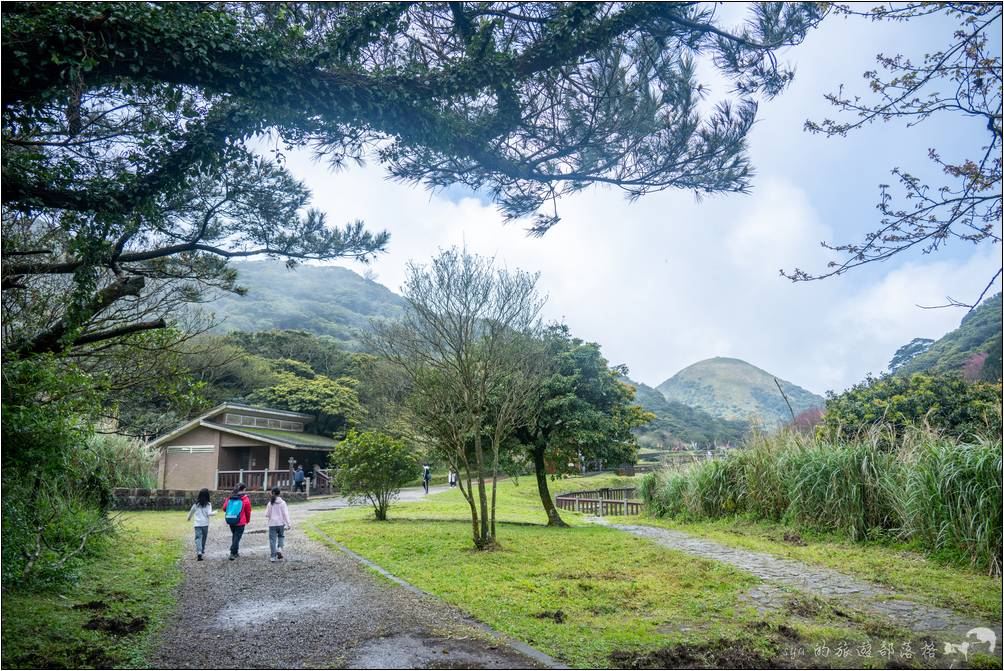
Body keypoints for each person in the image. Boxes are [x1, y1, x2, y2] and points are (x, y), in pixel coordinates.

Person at [223, 483, 252, 560]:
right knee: (237, 537)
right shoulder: (245, 498)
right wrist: (248, 520)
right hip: (241, 521)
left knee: (235, 536)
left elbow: (224, 508)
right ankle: (232, 552)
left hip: (231, 519)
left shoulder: (230, 497)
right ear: (243, 489)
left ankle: (235, 552)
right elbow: (248, 511)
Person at [186, 488, 215, 561]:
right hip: (205, 524)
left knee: (198, 538)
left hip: (197, 524)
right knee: (204, 538)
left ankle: (199, 552)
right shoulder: (208, 504)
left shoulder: (196, 504)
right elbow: (209, 513)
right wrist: (215, 512)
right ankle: (202, 550)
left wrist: (189, 518)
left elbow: (191, 512)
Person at [265, 487, 292, 562]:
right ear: (279, 493)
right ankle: (279, 549)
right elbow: (286, 514)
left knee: (272, 540)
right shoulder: (283, 503)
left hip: (272, 524)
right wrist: (288, 524)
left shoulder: (270, 503)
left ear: (272, 493)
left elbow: (267, 514)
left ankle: (273, 557)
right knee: (281, 536)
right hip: (281, 523)